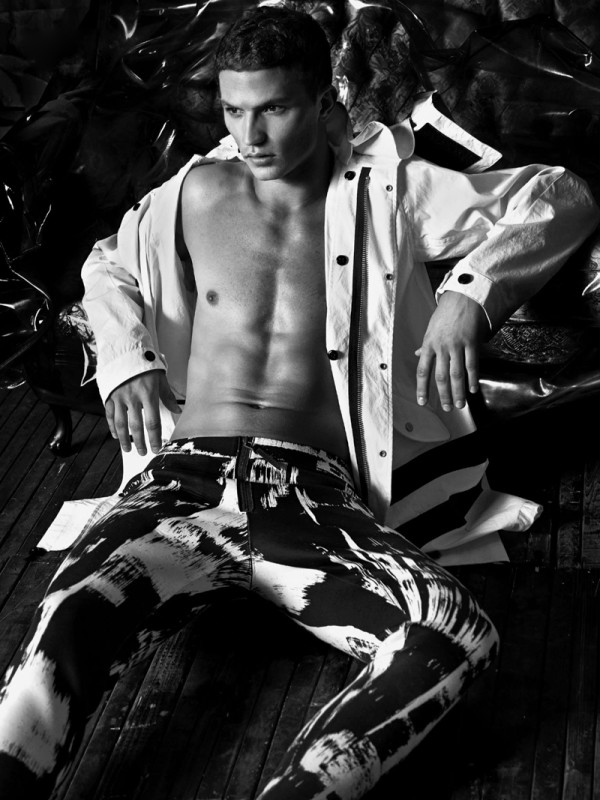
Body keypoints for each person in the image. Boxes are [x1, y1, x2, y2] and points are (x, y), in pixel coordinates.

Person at [0, 6, 598, 799]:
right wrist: (125, 356)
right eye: (233, 110)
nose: (250, 135)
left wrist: (470, 297)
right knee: (62, 629)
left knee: (452, 632)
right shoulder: (194, 191)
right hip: (179, 480)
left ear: (323, 101)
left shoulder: (392, 190)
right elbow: (108, 263)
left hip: (310, 494)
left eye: (274, 109)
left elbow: (560, 195)